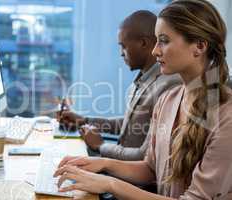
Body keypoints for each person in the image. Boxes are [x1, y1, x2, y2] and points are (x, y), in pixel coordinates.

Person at [54, 0, 232, 199]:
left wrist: (110, 183)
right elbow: (150, 168)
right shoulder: (168, 100)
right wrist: (103, 163)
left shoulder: (226, 117)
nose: (155, 50)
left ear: (199, 46)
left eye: (163, 40)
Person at [58, 10, 181, 161]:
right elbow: (130, 126)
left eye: (124, 46)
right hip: (120, 167)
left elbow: (147, 156)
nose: (121, 53)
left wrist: (101, 146)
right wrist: (84, 121)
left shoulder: (170, 84)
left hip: (136, 179)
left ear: (143, 43)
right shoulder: (143, 79)